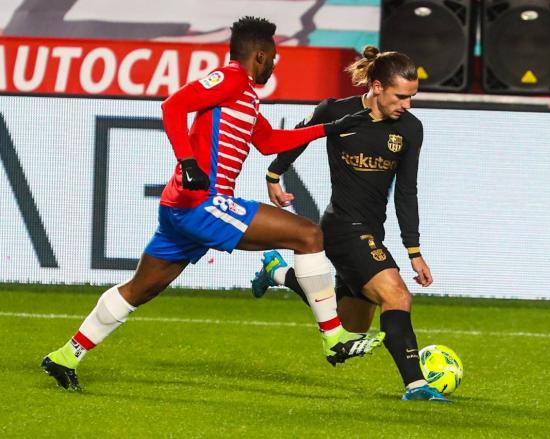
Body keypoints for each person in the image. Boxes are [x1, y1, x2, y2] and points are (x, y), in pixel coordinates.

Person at [41, 16, 383, 391]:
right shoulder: (232, 78)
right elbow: (173, 106)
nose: (274, 65)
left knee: (142, 288)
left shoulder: (245, 93)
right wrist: (188, 162)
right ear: (260, 55)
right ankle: (335, 339)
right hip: (203, 204)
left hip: (181, 209)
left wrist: (331, 128)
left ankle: (65, 356)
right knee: (307, 234)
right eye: (273, 58)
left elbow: (268, 141)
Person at [251, 46, 448, 402]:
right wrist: (274, 174)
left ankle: (278, 273)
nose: (407, 104)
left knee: (350, 326)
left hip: (373, 231)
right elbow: (300, 135)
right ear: (376, 86)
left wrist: (414, 250)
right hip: (342, 227)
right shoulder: (336, 112)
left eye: (412, 97)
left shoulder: (410, 129)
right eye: (401, 96)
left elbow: (406, 192)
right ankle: (416, 386)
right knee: (397, 295)